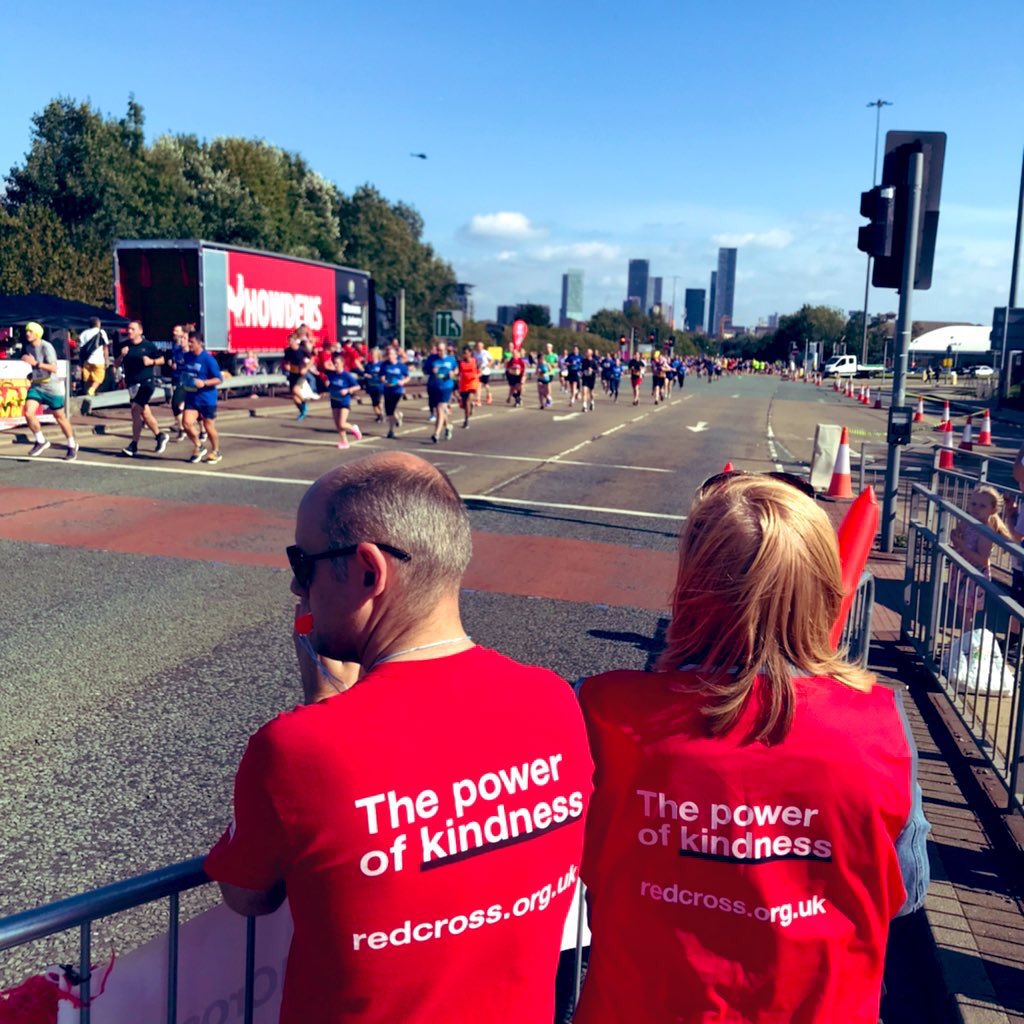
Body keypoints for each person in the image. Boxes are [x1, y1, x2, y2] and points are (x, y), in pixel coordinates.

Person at [205, 453, 593, 1024]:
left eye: (302, 561)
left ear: (368, 571)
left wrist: (326, 709)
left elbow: (249, 896)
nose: (295, 585)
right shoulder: (555, 699)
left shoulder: (298, 746)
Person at [574, 473, 929, 1024]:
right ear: (824, 587)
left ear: (690, 585)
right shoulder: (881, 723)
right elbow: (905, 893)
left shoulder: (602, 710)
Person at [949, 485, 1012, 619]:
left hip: (975, 575)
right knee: (961, 609)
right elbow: (959, 543)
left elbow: (983, 560)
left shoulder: (985, 532)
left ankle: (967, 637)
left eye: (982, 506)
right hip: (962, 569)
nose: (976, 508)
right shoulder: (967, 521)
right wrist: (955, 537)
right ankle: (964, 638)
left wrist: (962, 546)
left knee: (967, 611)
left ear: (992, 510)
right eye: (973, 504)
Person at [19, 321, 78, 460]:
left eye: (31, 331)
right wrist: (32, 372)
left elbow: (53, 368)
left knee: (60, 418)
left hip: (52, 388)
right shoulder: (28, 347)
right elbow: (35, 367)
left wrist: (36, 364)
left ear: (38, 333)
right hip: (37, 386)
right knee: (28, 413)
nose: (28, 333)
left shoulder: (47, 347)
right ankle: (41, 441)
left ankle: (72, 444)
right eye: (27, 331)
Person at [114, 320, 169, 457]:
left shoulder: (148, 346)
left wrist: (152, 362)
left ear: (140, 331)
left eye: (132, 329)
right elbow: (115, 364)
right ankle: (159, 435)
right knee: (145, 413)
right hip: (132, 384)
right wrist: (122, 355)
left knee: (135, 410)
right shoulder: (124, 346)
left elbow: (162, 359)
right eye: (128, 329)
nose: (129, 331)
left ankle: (134, 445)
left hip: (147, 382)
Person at [324, 351, 363, 450]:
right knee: (337, 424)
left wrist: (348, 390)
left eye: (337, 363)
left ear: (342, 363)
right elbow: (330, 385)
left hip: (344, 401)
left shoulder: (347, 375)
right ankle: (344, 441)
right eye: (334, 363)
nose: (335, 365)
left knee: (342, 423)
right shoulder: (332, 375)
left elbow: (357, 386)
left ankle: (353, 428)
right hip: (334, 400)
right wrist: (327, 386)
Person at [425, 340, 458, 443]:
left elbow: (456, 369)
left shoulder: (451, 360)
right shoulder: (431, 359)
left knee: (440, 409)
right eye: (438, 350)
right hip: (433, 386)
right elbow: (425, 370)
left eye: (442, 350)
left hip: (446, 387)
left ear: (446, 350)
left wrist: (453, 373)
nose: (440, 352)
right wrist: (431, 371)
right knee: (440, 410)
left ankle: (436, 433)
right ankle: (448, 426)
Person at [380, 346, 409, 439]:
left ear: (396, 355)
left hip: (397, 390)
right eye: (388, 354)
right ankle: (397, 418)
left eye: (392, 354)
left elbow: (408, 377)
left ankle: (391, 430)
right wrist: (384, 381)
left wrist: (402, 382)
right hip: (387, 390)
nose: (390, 356)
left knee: (392, 409)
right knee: (389, 412)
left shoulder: (401, 366)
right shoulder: (384, 365)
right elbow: (381, 376)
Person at [78, 317, 109, 397]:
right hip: (99, 360)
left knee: (88, 378)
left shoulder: (83, 333)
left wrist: (80, 362)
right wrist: (107, 359)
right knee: (99, 378)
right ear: (98, 324)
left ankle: (89, 394)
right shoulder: (101, 332)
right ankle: (92, 390)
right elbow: (105, 347)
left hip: (87, 360)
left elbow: (81, 348)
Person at [457, 345, 480, 428]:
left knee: (467, 401)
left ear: (470, 353)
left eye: (466, 353)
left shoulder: (474, 361)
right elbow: (458, 373)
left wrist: (477, 375)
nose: (465, 355)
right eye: (463, 353)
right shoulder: (460, 363)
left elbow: (478, 370)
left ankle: (466, 421)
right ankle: (471, 406)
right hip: (463, 385)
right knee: (463, 405)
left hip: (472, 384)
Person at [473, 341, 493, 406]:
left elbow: (492, 360)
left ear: (482, 346)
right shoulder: (475, 353)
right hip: (478, 371)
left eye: (480, 346)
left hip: (485, 371)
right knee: (478, 385)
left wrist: (487, 365)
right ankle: (478, 400)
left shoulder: (485, 353)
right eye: (478, 346)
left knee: (486, 385)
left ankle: (489, 395)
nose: (479, 347)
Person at [580, 348, 598, 412]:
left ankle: (592, 402)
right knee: (584, 391)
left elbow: (597, 371)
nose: (586, 353)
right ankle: (584, 406)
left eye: (587, 352)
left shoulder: (594, 361)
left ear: (590, 354)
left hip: (591, 379)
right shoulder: (584, 361)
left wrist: (592, 370)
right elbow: (581, 369)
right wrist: (581, 372)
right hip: (585, 378)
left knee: (591, 393)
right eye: (586, 352)